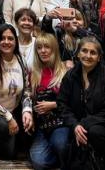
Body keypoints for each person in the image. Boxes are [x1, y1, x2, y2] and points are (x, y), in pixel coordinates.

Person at [58, 36, 105, 170]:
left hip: (103, 124)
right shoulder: (70, 76)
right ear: (78, 53)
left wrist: (83, 124)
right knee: (64, 146)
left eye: (93, 52)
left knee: (95, 132)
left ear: (99, 57)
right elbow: (62, 104)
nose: (88, 55)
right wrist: (75, 125)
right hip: (76, 123)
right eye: (84, 51)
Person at [0, 23, 33, 159]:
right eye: (2, 38)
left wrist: (27, 110)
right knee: (8, 152)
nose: (6, 42)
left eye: (10, 38)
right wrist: (9, 118)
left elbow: (27, 89)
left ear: (15, 41)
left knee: (29, 125)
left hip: (14, 110)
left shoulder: (20, 59)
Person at [29, 32, 71, 170]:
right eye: (39, 48)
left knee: (60, 144)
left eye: (47, 47)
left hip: (61, 122)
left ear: (54, 49)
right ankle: (61, 157)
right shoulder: (33, 73)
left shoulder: (65, 71)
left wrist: (53, 105)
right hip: (42, 126)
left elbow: (74, 102)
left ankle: (64, 153)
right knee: (39, 163)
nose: (43, 51)